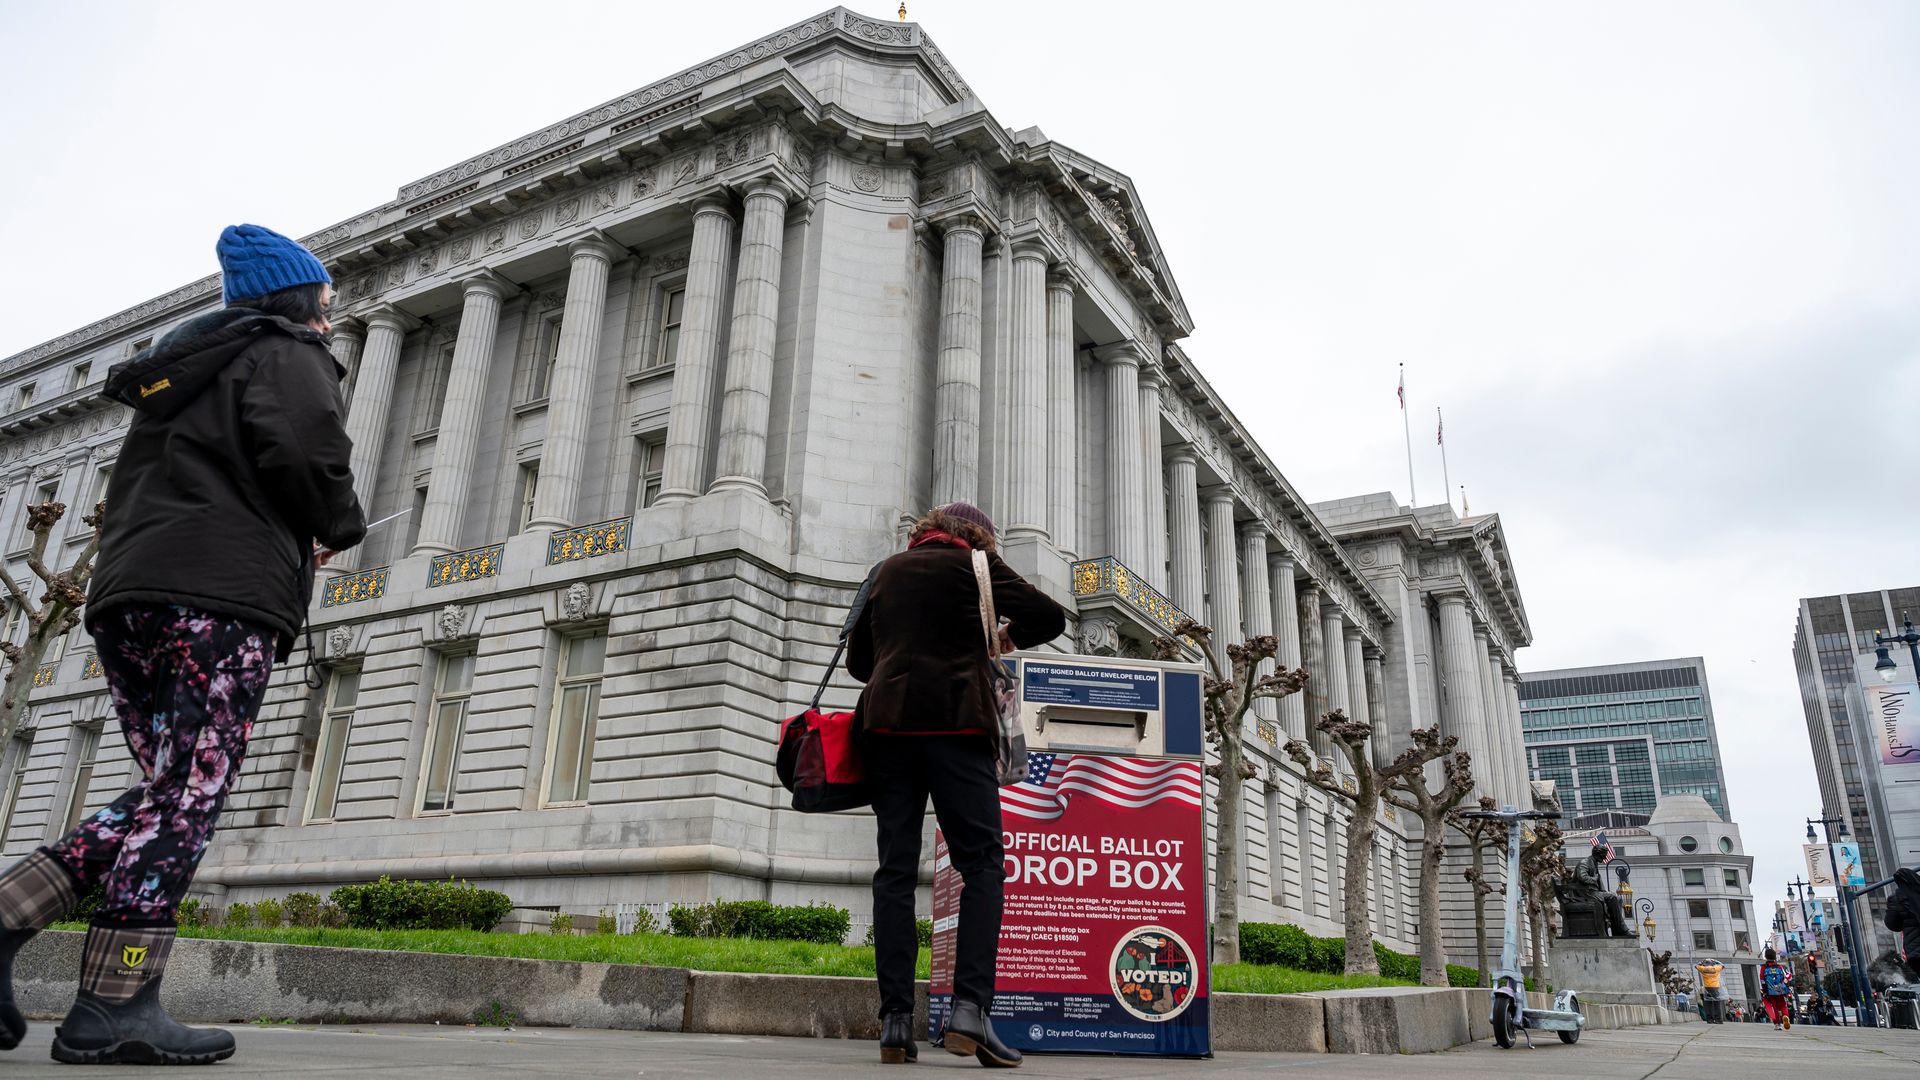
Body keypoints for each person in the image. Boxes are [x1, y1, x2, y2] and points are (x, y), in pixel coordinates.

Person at [0, 225, 365, 1065]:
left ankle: (15, 920)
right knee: (189, 793)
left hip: (132, 599)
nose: (332, 312)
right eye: (326, 297)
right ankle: (118, 1003)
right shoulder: (287, 351)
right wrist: (334, 527)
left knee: (172, 787)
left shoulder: (186, 375)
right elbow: (311, 455)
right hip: (217, 598)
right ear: (298, 298)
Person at [848, 502, 1067, 1068]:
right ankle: (970, 1011)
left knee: (894, 871)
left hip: (888, 727)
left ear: (926, 531)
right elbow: (1050, 618)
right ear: (979, 537)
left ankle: (896, 1021)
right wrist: (998, 639)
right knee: (982, 866)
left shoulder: (885, 571)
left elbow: (858, 662)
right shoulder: (977, 567)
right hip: (956, 725)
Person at [1760, 947, 1794, 1029]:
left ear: (1766, 957)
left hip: (1770, 990)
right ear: (1775, 957)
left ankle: (1777, 1024)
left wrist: (1765, 991)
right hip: (1780, 990)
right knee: (1783, 1005)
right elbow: (1786, 977)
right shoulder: (1779, 967)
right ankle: (1785, 1016)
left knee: (1774, 1007)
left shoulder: (1763, 968)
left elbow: (1762, 980)